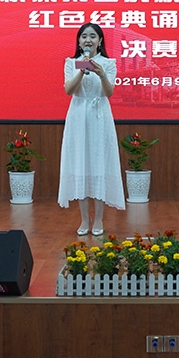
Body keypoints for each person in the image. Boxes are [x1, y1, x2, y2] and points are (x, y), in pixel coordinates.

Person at [58, 22, 125, 236]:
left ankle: (98, 220)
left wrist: (101, 73)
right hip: (78, 117)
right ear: (79, 41)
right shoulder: (71, 63)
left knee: (99, 165)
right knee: (81, 165)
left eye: (93, 36)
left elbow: (109, 92)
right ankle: (84, 219)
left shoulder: (108, 63)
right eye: (84, 36)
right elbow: (69, 90)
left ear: (100, 40)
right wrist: (82, 70)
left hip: (99, 116)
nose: (88, 40)